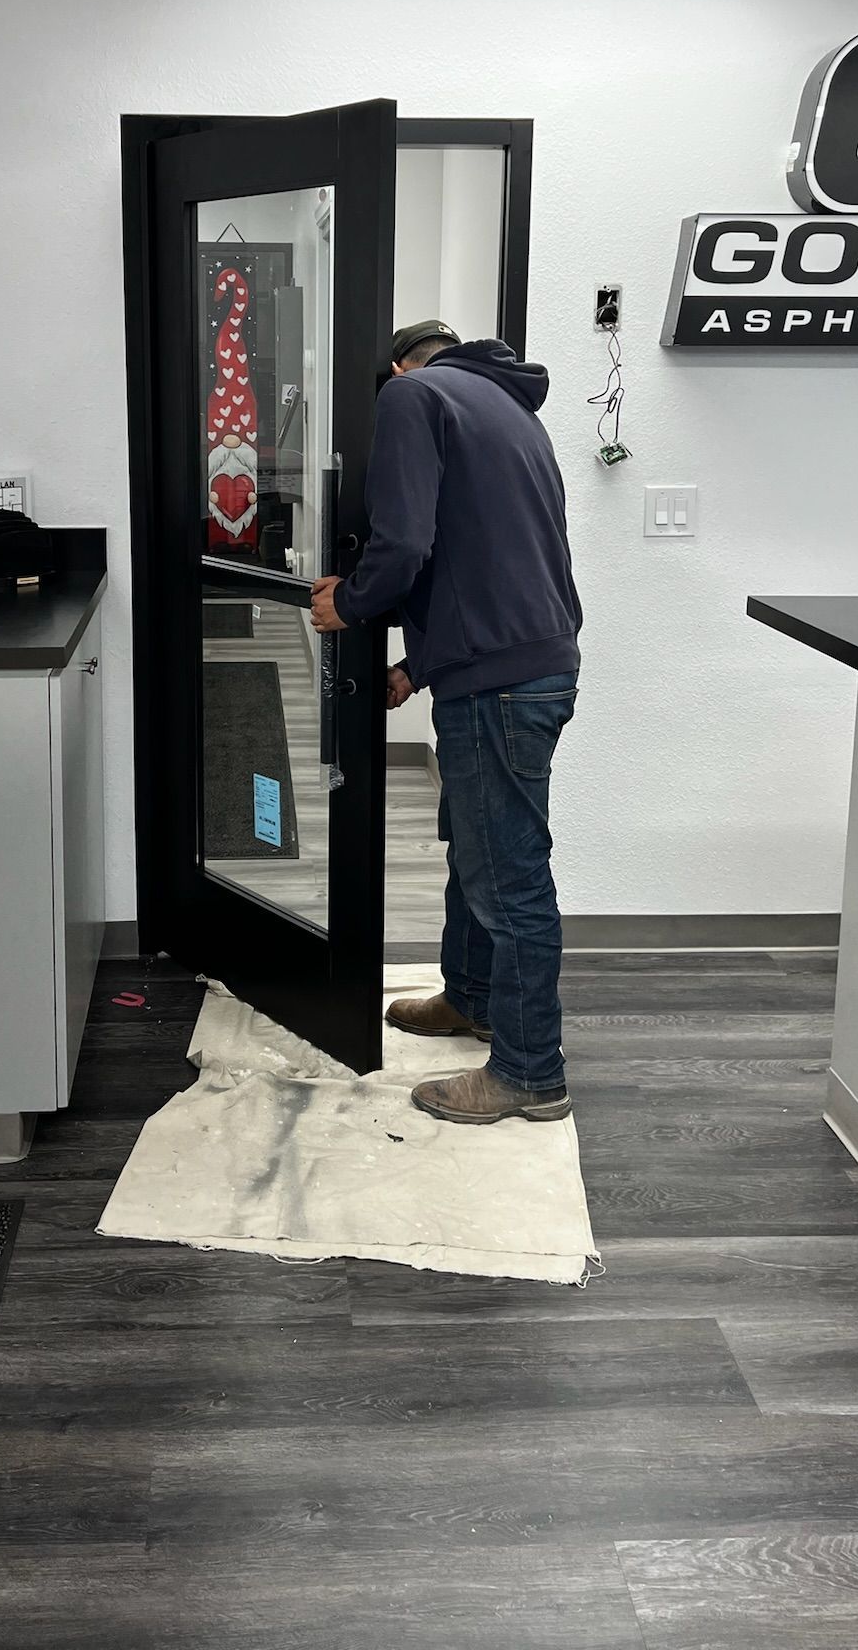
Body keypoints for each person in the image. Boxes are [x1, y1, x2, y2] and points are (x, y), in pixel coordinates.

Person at [310, 318, 582, 1125]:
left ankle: (531, 1072)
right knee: (479, 850)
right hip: (527, 665)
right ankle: (469, 998)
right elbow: (487, 564)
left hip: (500, 685)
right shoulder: (509, 409)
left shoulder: (411, 398)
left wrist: (349, 606)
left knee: (510, 876)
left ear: (396, 367)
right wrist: (416, 666)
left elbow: (404, 544)